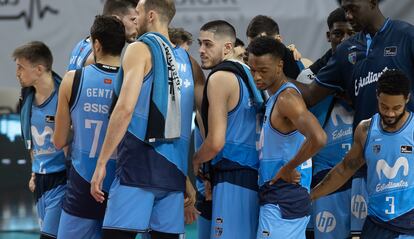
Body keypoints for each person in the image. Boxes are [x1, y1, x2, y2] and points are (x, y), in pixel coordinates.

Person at [90, 0, 204, 238]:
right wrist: (188, 176)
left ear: (150, 15)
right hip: (173, 176)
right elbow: (201, 120)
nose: (134, 18)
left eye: (138, 13)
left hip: (138, 169)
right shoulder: (187, 61)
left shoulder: (139, 49)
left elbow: (124, 108)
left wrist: (101, 163)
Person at [311, 69, 414, 239]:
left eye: (397, 107)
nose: (390, 113)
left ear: (407, 99)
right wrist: (311, 196)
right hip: (376, 223)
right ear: (377, 96)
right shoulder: (365, 130)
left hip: (408, 226)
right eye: (384, 106)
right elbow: (344, 169)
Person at [53, 15, 125, 239]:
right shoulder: (133, 82)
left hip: (83, 180)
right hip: (121, 184)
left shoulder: (72, 79)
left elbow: (59, 140)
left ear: (96, 44)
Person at [247, 36, 326, 239]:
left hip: (284, 198)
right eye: (252, 70)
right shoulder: (276, 97)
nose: (256, 77)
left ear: (280, 65)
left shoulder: (287, 99)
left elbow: (318, 138)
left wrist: (289, 167)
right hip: (281, 196)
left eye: (263, 71)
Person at [194, 20, 263, 239]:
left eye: (208, 44)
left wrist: (194, 161)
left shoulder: (220, 78)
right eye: (199, 44)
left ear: (227, 48)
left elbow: (216, 142)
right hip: (256, 176)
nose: (201, 50)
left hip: (233, 177)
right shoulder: (251, 73)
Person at [14, 41, 66, 239]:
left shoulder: (64, 96)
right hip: (41, 180)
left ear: (39, 69)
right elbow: (30, 141)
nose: (17, 73)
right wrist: (34, 170)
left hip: (63, 179)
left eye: (21, 67)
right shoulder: (26, 99)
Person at [67, 0, 138, 71]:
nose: (137, 24)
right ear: (116, 19)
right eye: (133, 19)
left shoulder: (81, 44)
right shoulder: (99, 56)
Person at [246, 15, 311, 77]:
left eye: (262, 45)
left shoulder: (305, 67)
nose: (256, 52)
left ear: (278, 40)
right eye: (251, 47)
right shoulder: (247, 70)